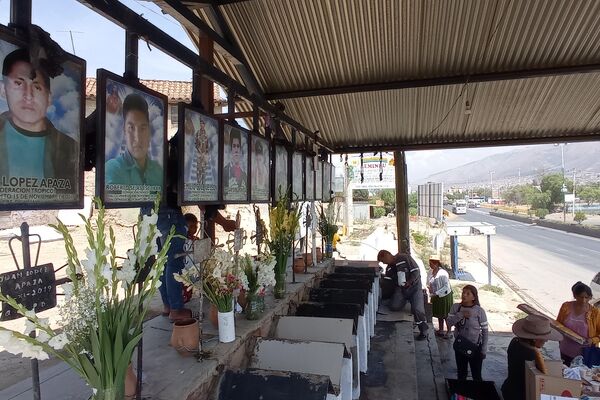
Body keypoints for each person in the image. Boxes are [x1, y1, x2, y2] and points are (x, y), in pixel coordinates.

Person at [0, 47, 78, 186]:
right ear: (3, 90)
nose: (28, 96)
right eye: (18, 83)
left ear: (48, 98)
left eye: (37, 87)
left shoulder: (70, 148)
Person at [105, 93, 163, 186]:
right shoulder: (113, 169)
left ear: (149, 131)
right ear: (124, 130)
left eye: (142, 128)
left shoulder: (158, 172)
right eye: (131, 128)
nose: (137, 138)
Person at [501, 315, 563, 400]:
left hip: (508, 389)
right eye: (544, 338)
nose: (546, 340)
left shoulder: (514, 341)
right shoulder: (533, 355)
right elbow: (544, 378)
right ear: (534, 339)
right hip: (522, 396)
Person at [377, 249, 429, 340]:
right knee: (394, 306)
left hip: (414, 287)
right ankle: (404, 301)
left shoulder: (404, 257)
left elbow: (416, 271)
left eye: (383, 260)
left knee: (418, 309)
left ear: (387, 255)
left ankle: (423, 331)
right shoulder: (389, 268)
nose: (384, 263)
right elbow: (388, 281)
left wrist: (409, 282)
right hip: (401, 290)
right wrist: (380, 277)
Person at [447, 285, 489, 381]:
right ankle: (462, 394)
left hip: (475, 347)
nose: (464, 295)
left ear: (473, 297)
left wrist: (483, 350)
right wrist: (460, 315)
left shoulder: (479, 311)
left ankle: (477, 394)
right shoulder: (455, 307)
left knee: (476, 375)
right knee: (461, 373)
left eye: (468, 293)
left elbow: (485, 331)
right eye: (463, 292)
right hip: (460, 346)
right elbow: (449, 323)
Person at [556, 281, 600, 366]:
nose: (584, 300)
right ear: (575, 296)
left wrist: (592, 340)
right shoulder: (566, 306)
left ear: (590, 297)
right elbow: (557, 324)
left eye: (586, 298)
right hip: (563, 348)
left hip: (583, 354)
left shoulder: (595, 313)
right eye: (581, 297)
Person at [427, 255, 453, 338]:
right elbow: (428, 282)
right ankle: (441, 330)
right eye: (430, 263)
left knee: (446, 314)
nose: (430, 265)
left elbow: (446, 286)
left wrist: (437, 293)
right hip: (435, 296)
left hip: (444, 296)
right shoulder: (430, 271)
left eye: (432, 264)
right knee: (439, 314)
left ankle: (449, 331)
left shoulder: (443, 273)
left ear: (437, 264)